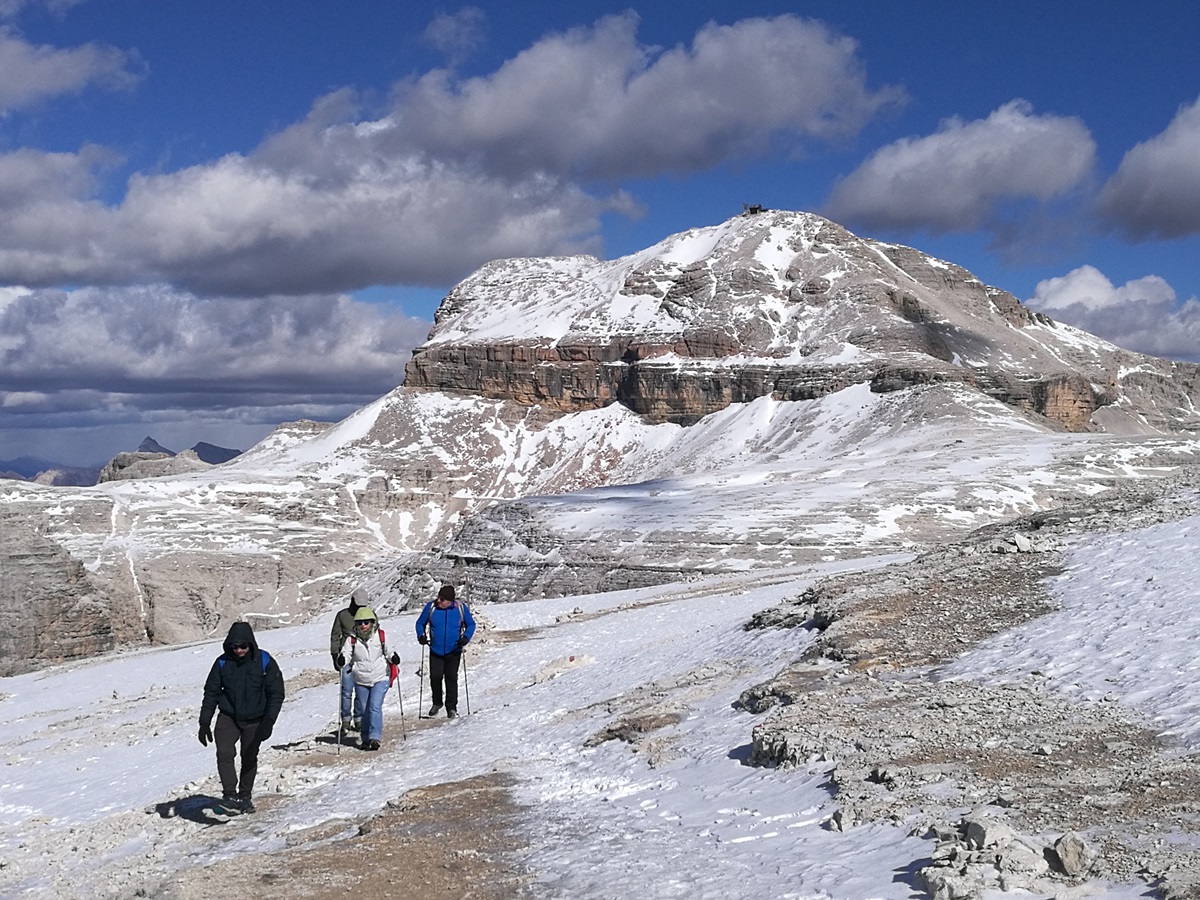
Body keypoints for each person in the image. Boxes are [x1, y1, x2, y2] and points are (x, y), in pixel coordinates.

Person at [198, 621, 285, 815]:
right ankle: (230, 796)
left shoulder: (264, 661)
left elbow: (276, 693)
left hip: (256, 719)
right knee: (224, 753)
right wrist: (204, 721)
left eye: (243, 646)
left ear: (251, 644)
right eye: (234, 646)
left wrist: (269, 721)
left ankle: (245, 797)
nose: (238, 650)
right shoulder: (222, 663)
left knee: (249, 757)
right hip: (228, 716)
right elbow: (211, 692)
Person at [337, 606, 400, 750]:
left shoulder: (380, 635)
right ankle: (365, 738)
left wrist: (393, 657)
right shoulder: (352, 639)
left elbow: (389, 650)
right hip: (361, 679)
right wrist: (342, 660)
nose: (363, 625)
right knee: (364, 709)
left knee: (374, 706)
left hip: (380, 676)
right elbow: (346, 654)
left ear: (372, 622)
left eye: (366, 622)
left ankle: (375, 737)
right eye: (360, 623)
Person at [416, 584, 476, 719]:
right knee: (435, 677)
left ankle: (451, 707)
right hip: (435, 650)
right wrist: (421, 635)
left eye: (442, 599)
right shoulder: (431, 607)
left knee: (451, 678)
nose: (439, 600)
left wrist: (465, 638)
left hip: (454, 650)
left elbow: (471, 624)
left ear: (450, 601)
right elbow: (420, 623)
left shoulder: (460, 608)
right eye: (439, 597)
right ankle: (437, 702)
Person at [330, 587, 368, 732]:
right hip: (345, 658)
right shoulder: (342, 615)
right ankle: (345, 720)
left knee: (360, 689)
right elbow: (335, 636)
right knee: (346, 690)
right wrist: (335, 655)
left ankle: (359, 718)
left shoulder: (368, 616)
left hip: (362, 658)